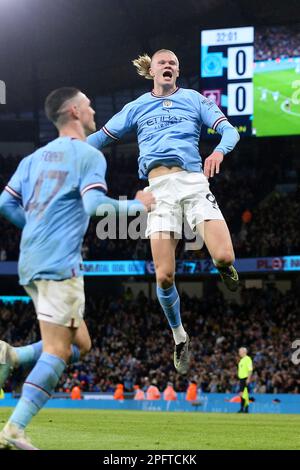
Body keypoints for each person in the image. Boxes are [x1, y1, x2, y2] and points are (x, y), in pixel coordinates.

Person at [0, 87, 153, 450]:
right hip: (58, 263)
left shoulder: (33, 159)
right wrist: (138, 204)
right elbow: (95, 207)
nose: (93, 109)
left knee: (79, 342)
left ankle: (13, 356)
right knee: (57, 351)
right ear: (73, 111)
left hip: (30, 260)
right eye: (88, 104)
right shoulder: (87, 155)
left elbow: (5, 203)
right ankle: (14, 429)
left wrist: (36, 228)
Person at [87, 49, 240, 375]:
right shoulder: (136, 107)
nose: (168, 66)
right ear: (152, 71)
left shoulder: (195, 99)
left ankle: (225, 268)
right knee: (164, 274)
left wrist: (219, 151)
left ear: (177, 70)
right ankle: (179, 336)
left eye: (173, 63)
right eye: (162, 63)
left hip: (194, 184)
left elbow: (230, 131)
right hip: (159, 192)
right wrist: (65, 150)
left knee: (224, 257)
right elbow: (100, 138)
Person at [237, 347, 253, 413]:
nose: (239, 353)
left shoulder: (248, 359)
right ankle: (245, 409)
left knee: (242, 393)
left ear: (244, 352)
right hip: (241, 379)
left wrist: (248, 378)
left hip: (245, 378)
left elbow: (250, 369)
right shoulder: (241, 360)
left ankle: (243, 408)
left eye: (240, 351)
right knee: (244, 394)